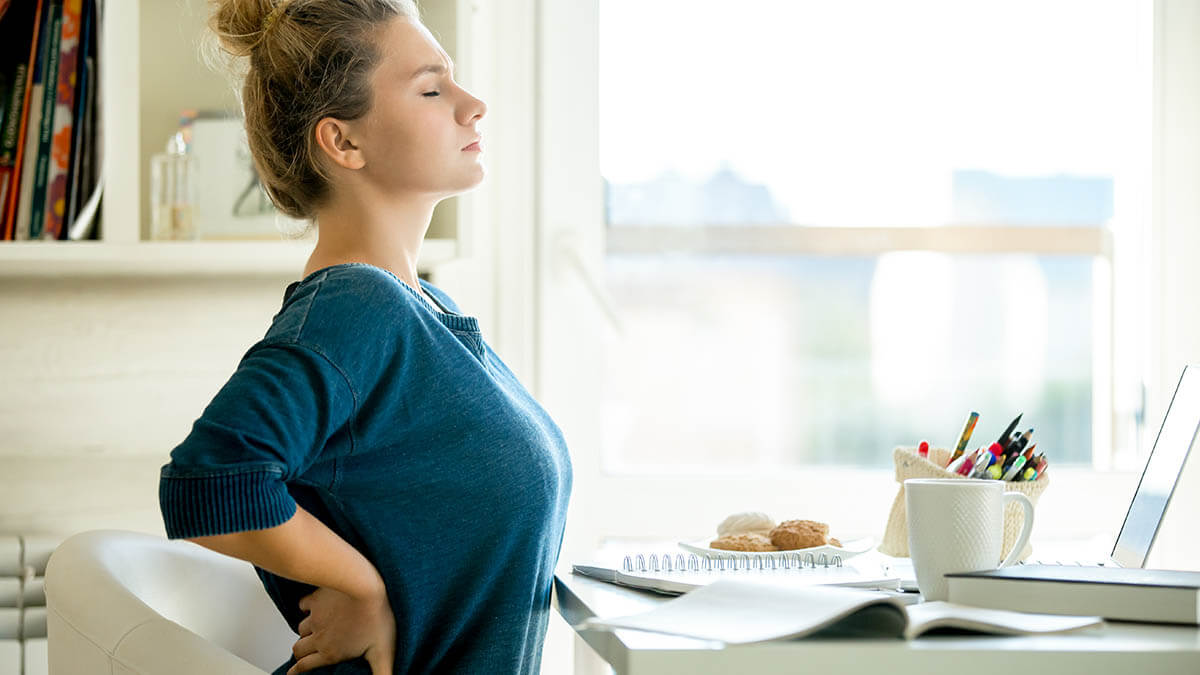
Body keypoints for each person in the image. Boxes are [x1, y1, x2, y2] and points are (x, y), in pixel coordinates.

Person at [157, 1, 573, 673]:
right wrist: (359, 581)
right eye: (433, 89)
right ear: (343, 142)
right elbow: (206, 481)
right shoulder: (357, 307)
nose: (474, 105)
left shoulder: (423, 309)